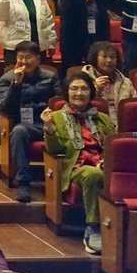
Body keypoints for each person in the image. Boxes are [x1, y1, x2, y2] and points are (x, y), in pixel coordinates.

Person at [44, 72, 114, 255]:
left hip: (104, 165)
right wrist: (49, 129)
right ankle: (93, 228)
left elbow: (112, 146)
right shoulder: (57, 117)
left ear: (91, 92)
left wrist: (106, 161)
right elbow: (55, 150)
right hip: (74, 168)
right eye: (74, 89)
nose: (79, 93)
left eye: (84, 89)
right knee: (92, 174)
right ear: (67, 93)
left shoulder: (103, 118)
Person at [0, 41, 61, 203]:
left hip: (48, 122)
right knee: (19, 131)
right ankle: (23, 183)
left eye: (28, 57)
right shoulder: (7, 79)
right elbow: (6, 109)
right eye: (20, 57)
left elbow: (60, 103)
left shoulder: (50, 77)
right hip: (24, 125)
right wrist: (16, 84)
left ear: (38, 59)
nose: (24, 62)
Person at [57, 0, 113, 72]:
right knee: (72, 72)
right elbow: (63, 8)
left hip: (95, 39)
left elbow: (107, 15)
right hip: (73, 40)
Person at [82, 41, 136, 130]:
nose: (109, 60)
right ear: (95, 58)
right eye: (104, 56)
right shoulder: (82, 80)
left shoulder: (126, 82)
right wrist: (96, 90)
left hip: (122, 127)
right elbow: (78, 106)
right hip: (93, 126)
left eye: (113, 57)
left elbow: (134, 107)